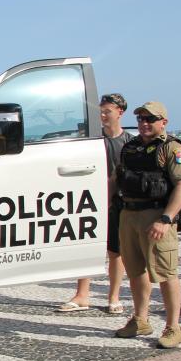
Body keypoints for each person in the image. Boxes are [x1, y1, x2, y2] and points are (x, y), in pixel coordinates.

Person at [114, 102, 181, 348]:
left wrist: (166, 219)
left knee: (166, 273)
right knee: (135, 271)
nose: (144, 123)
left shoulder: (172, 148)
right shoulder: (130, 147)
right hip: (129, 215)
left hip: (157, 216)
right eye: (140, 119)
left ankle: (173, 327)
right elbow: (117, 178)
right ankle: (140, 320)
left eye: (150, 119)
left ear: (163, 122)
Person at [57, 93, 133, 313]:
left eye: (107, 111)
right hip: (91, 200)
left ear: (120, 112)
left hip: (118, 203)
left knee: (116, 251)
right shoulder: (93, 140)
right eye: (100, 111)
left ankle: (114, 296)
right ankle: (82, 295)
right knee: (88, 247)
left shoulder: (129, 142)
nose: (103, 115)